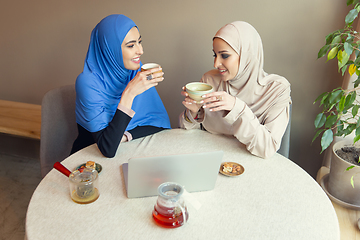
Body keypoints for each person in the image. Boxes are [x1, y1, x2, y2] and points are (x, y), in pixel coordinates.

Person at [179, 21, 291, 158]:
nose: (216, 63)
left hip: (251, 163)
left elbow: (267, 148)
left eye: (224, 55)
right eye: (215, 55)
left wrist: (236, 107)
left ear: (247, 55)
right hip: (209, 157)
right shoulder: (210, 80)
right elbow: (189, 134)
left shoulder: (276, 90)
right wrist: (194, 112)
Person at [71, 14, 171, 158]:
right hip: (88, 159)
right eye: (131, 45)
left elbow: (158, 123)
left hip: (128, 151)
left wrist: (124, 137)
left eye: (139, 42)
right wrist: (129, 93)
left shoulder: (135, 70)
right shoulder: (87, 83)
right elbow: (108, 148)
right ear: (109, 49)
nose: (140, 51)